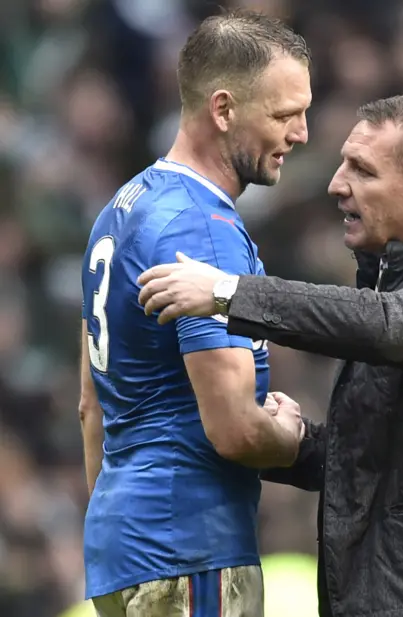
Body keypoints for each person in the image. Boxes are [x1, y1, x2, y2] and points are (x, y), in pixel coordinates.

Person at [137, 94, 403, 616]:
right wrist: (296, 447)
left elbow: (400, 326)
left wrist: (230, 293)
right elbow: (390, 466)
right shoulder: (387, 298)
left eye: (362, 170)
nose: (337, 184)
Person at [79, 11, 312, 617]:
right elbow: (233, 429)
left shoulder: (121, 209)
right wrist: (292, 439)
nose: (303, 133)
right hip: (190, 545)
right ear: (225, 109)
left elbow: (89, 409)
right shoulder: (201, 231)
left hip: (120, 545)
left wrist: (122, 536)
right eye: (285, 115)